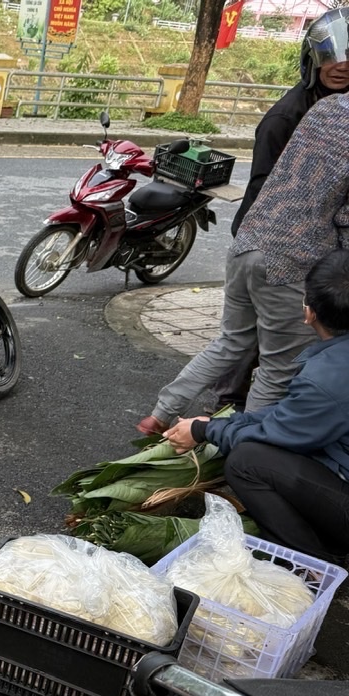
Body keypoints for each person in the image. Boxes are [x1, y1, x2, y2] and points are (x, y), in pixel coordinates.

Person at [135, 92, 349, 437]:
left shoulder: (329, 105)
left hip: (249, 238)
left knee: (230, 341)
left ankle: (161, 414)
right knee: (277, 370)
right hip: (292, 260)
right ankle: (246, 449)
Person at [163, 250, 349, 563]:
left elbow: (277, 435)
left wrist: (203, 430)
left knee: (246, 462)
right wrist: (221, 424)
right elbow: (288, 417)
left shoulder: (326, 377)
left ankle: (312, 561)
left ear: (308, 312)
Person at [211, 7, 349, 408]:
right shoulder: (288, 116)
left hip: (302, 244)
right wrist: (264, 245)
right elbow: (263, 186)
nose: (341, 67)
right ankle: (231, 407)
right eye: (331, 58)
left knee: (260, 337)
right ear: (312, 60)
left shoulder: (336, 106)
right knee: (257, 339)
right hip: (277, 241)